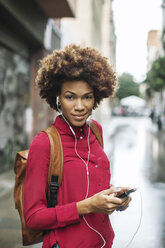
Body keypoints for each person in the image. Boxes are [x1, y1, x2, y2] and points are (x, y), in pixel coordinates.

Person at [24, 44, 132, 248]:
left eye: (87, 97)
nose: (80, 107)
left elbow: (87, 185)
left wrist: (114, 197)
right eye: (70, 97)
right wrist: (88, 206)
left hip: (103, 242)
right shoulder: (44, 143)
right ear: (58, 98)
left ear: (96, 97)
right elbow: (33, 218)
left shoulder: (96, 131)